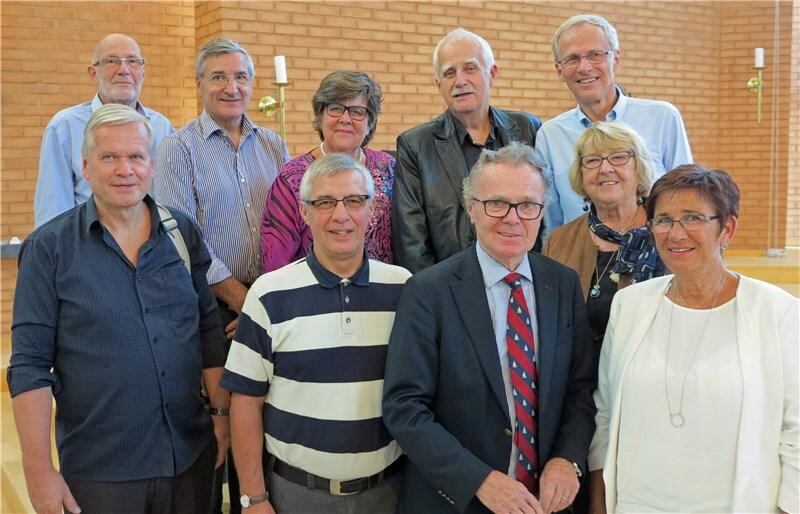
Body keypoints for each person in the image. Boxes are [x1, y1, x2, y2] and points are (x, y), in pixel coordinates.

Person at [8, 104, 228, 514]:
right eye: (110, 157)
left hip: (190, 455)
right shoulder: (49, 249)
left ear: (152, 164)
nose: (125, 169)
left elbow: (207, 330)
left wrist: (220, 413)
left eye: (136, 157)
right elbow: (30, 365)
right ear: (86, 166)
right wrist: (38, 470)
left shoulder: (181, 233)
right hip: (101, 472)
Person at [383, 142, 595, 514]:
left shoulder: (561, 284)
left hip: (547, 502)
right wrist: (477, 479)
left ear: (542, 211)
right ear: (471, 209)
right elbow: (404, 407)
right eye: (496, 203)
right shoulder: (428, 290)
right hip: (460, 501)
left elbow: (579, 390)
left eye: (528, 205)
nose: (513, 218)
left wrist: (567, 458)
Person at [589, 164, 799, 514]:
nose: (676, 233)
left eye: (692, 218)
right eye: (664, 220)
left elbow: (796, 434)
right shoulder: (630, 305)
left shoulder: (778, 313)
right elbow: (606, 417)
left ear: (726, 228)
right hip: (635, 504)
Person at [222, 154, 411, 514]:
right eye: (324, 202)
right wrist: (253, 497)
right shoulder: (269, 293)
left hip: (388, 492)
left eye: (354, 201)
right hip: (296, 495)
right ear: (304, 213)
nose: (340, 215)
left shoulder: (404, 289)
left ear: (372, 211)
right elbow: (246, 402)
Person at [155, 37, 289, 514]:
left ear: (252, 84)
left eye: (240, 77)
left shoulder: (273, 143)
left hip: (267, 301)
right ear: (199, 85)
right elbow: (180, 237)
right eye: (218, 77)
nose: (231, 87)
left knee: (262, 425)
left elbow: (289, 224)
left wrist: (265, 299)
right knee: (218, 431)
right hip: (212, 310)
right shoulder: (178, 147)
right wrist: (241, 299)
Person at [393, 28, 542, 273]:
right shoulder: (416, 146)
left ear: (492, 73)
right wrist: (437, 296)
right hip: (449, 289)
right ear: (438, 84)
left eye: (470, 68)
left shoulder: (529, 130)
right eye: (449, 73)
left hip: (522, 282)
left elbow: (544, 213)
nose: (460, 81)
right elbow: (411, 242)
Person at [534, 14, 692, 240]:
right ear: (559, 70)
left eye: (595, 55)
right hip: (583, 263)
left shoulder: (662, 118)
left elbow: (687, 199)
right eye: (572, 59)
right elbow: (553, 223)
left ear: (616, 58)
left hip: (658, 257)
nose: (584, 67)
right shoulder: (550, 136)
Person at [544, 121, 664, 353]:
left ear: (639, 168)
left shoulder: (668, 233)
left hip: (656, 375)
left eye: (619, 157)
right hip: (580, 381)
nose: (605, 168)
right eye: (592, 160)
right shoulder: (559, 242)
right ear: (580, 174)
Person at [34, 33, 173, 227]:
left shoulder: (162, 127)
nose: (123, 70)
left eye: (132, 61)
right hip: (86, 250)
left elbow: (167, 203)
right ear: (93, 73)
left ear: (142, 72)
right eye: (111, 61)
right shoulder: (64, 128)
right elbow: (51, 214)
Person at [262, 71, 394, 271]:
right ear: (320, 116)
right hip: (311, 295)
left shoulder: (389, 168)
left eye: (357, 111)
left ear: (370, 122)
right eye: (335, 109)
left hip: (382, 294)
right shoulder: (292, 178)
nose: (345, 119)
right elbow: (275, 261)